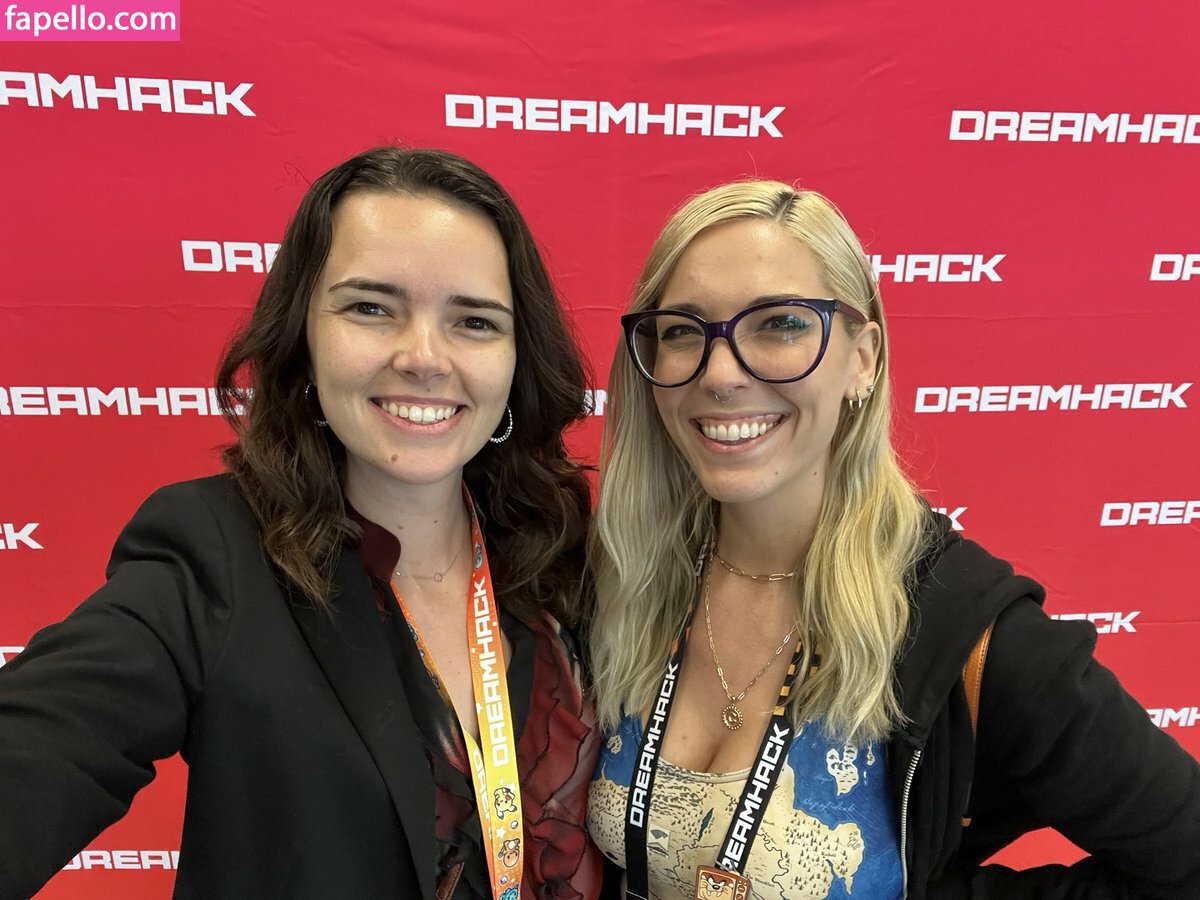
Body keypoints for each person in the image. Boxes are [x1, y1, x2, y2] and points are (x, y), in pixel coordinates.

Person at [0, 147, 602, 899]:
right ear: (304, 338)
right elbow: (39, 747)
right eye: (370, 308)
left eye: (474, 321)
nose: (424, 357)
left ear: (517, 357)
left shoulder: (566, 558)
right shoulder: (213, 555)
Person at [585, 180, 1200, 899]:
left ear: (863, 358)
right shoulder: (624, 577)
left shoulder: (964, 627)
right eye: (683, 331)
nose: (720, 374)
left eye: (780, 324)